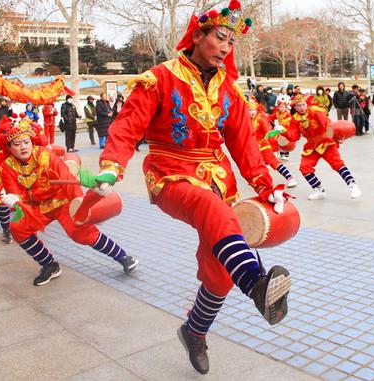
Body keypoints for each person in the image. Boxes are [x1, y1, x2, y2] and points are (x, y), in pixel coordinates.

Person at [95, 1, 291, 374]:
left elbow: (244, 144)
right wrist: (111, 167)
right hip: (171, 172)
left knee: (219, 269)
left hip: (218, 178)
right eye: (220, 37)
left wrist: (266, 184)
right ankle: (256, 284)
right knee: (211, 210)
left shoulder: (229, 89)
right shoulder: (159, 78)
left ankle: (195, 331)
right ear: (197, 35)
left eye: (231, 43)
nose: (225, 47)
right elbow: (127, 127)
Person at [0, 116, 138, 286]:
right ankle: (49, 265)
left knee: (81, 233)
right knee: (18, 228)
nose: (23, 147)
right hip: (37, 206)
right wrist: (14, 200)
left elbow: (66, 179)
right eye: (17, 144)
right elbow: (16, 193)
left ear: (32, 141)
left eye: (26, 142)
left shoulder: (45, 155)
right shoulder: (7, 167)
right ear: (9, 147)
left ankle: (122, 256)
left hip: (62, 201)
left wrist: (79, 204)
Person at [284, 94, 362, 200]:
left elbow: (328, 124)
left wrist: (336, 136)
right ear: (294, 107)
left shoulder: (315, 111)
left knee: (337, 164)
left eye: (303, 104)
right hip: (311, 145)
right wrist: (283, 131)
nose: (302, 107)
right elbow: (294, 137)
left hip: (325, 141)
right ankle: (319, 189)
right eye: (298, 106)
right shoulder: (295, 119)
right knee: (304, 167)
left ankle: (352, 185)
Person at [249, 100, 297, 187]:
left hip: (263, 144)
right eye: (249, 110)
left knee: (273, 161)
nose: (252, 112)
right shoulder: (246, 120)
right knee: (254, 164)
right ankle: (259, 181)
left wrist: (274, 137)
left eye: (254, 110)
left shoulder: (260, 119)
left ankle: (290, 178)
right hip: (253, 147)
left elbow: (267, 130)